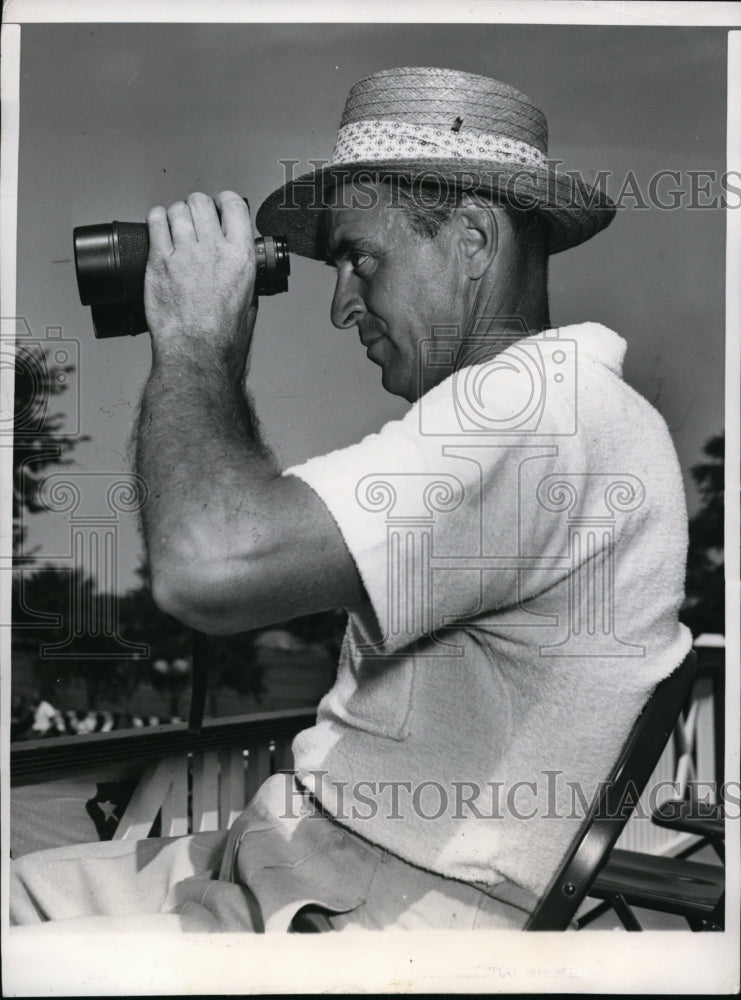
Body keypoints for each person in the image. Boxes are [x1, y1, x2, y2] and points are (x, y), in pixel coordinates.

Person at [10, 66, 691, 932]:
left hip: (369, 905)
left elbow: (207, 566)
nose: (341, 306)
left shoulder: (533, 410)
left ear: (475, 239)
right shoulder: (565, 410)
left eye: (359, 258)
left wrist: (193, 339)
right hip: (318, 855)